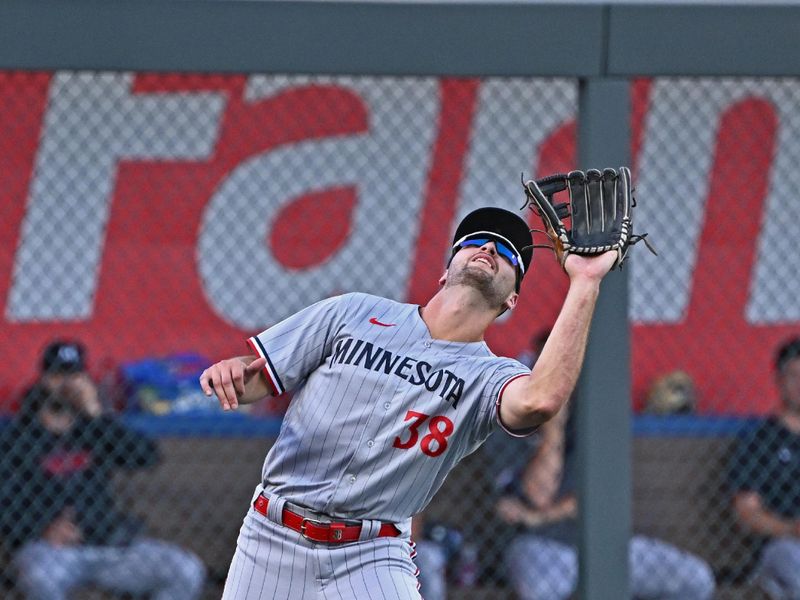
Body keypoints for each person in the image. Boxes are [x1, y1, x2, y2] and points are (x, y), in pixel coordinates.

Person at [199, 206, 619, 599]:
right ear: (444, 271)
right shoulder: (354, 312)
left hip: (371, 555)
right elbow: (254, 380)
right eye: (474, 241)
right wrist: (232, 371)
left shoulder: (490, 375)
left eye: (508, 252)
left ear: (511, 300)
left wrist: (585, 282)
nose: (489, 248)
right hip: (272, 535)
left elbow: (540, 401)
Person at [0, 340, 207, 600]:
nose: (65, 384)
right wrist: (41, 527)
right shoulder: (17, 438)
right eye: (57, 376)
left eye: (73, 376)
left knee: (184, 569)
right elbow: (5, 504)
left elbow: (146, 456)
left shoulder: (96, 430)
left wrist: (97, 414)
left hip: (109, 546)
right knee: (41, 579)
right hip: (50, 551)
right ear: (42, 380)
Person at [494, 398, 716, 599]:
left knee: (696, 579)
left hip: (609, 547)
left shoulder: (594, 413)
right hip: (542, 547)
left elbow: (595, 503)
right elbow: (539, 495)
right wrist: (553, 429)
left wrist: (535, 517)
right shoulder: (510, 417)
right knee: (541, 590)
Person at [728, 336, 800, 599]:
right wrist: (792, 529)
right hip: (782, 546)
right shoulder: (761, 440)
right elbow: (746, 512)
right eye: (794, 376)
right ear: (780, 381)